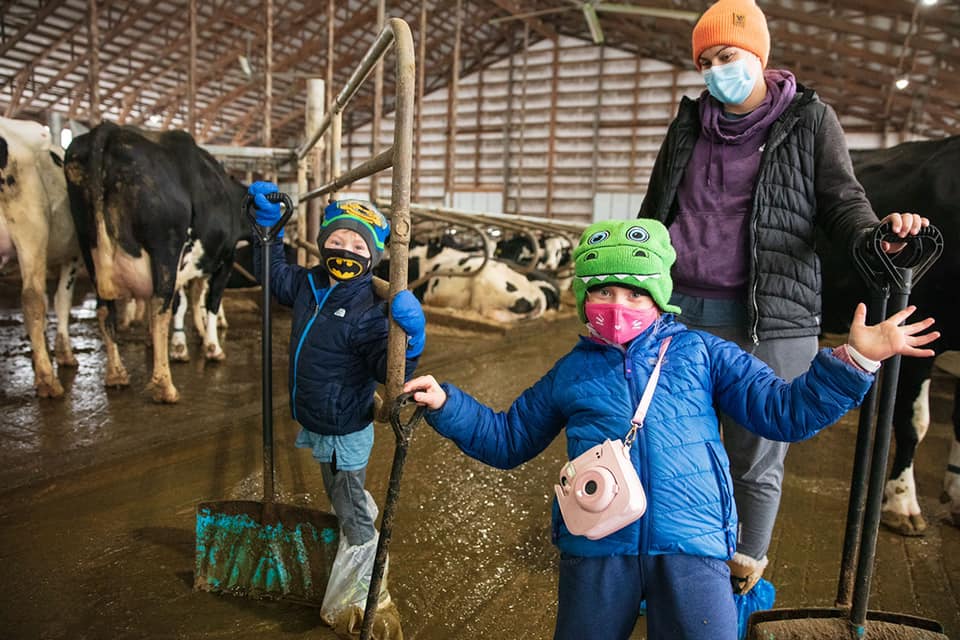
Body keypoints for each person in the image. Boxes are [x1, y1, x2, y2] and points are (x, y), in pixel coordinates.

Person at [402, 219, 937, 640]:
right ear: (584, 297)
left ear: (659, 298)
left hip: (693, 544)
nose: (618, 306)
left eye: (634, 294)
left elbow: (784, 411)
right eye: (604, 292)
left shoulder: (700, 352)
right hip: (597, 547)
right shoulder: (571, 371)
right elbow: (507, 439)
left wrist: (853, 361)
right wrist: (448, 404)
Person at [637, 0, 930, 619]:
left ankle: (743, 573)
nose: (719, 69)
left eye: (729, 55)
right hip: (682, 311)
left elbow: (842, 201)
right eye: (708, 60)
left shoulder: (808, 119)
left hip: (770, 315)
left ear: (761, 56)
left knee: (757, 450)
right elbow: (654, 208)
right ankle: (678, 562)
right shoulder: (689, 123)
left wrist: (879, 234)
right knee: (672, 442)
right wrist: (634, 281)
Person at [249, 181, 426, 638]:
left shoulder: (371, 309)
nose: (344, 250)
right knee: (343, 490)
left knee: (352, 512)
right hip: (320, 419)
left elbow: (386, 370)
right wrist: (267, 235)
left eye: (357, 245)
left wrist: (410, 342)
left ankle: (368, 591)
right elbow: (274, 276)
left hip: (343, 425)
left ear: (375, 256)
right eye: (336, 239)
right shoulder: (309, 283)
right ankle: (359, 532)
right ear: (323, 241)